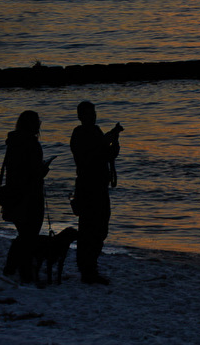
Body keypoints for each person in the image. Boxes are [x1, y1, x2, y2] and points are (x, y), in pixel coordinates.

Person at [68, 99, 123, 284]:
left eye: (94, 113)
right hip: (87, 187)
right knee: (89, 229)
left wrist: (114, 140)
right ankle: (87, 270)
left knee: (100, 228)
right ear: (80, 116)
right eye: (89, 113)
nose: (93, 117)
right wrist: (105, 141)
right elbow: (87, 157)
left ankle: (89, 267)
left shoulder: (96, 131)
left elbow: (108, 155)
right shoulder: (79, 133)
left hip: (99, 186)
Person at [0, 109, 54, 284]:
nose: (39, 124)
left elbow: (16, 171)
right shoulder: (31, 144)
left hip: (15, 194)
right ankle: (24, 272)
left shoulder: (13, 142)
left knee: (24, 234)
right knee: (29, 236)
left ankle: (11, 267)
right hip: (30, 196)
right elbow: (32, 173)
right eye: (37, 122)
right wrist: (43, 170)